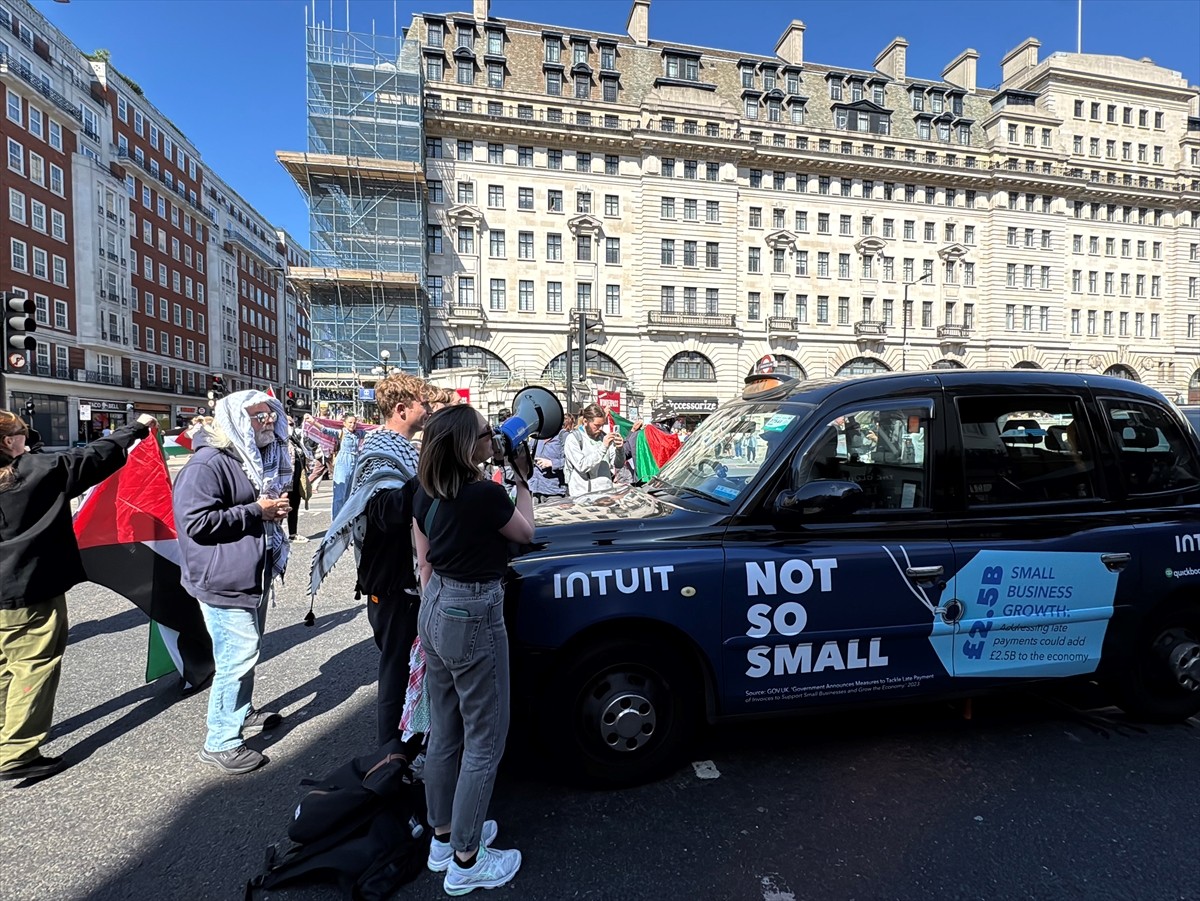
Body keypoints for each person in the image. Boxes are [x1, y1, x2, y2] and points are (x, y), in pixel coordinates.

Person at [412, 405, 535, 894]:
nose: (493, 438)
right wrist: (523, 482)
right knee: (486, 739)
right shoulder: (483, 494)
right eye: (487, 433)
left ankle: (443, 837)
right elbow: (526, 533)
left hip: (436, 602)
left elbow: (422, 562)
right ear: (468, 445)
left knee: (444, 732)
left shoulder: (422, 490)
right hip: (474, 610)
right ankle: (467, 860)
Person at [0, 410, 156, 781]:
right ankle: (18, 749)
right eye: (22, 432)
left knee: (5, 664)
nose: (27, 438)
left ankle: (6, 729)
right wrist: (136, 428)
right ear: (8, 441)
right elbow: (93, 457)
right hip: (28, 587)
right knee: (33, 663)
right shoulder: (36, 472)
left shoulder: (31, 468)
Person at [172, 390, 291, 776]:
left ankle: (240, 711)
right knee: (236, 657)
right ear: (236, 423)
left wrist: (266, 512)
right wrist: (258, 510)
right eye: (258, 417)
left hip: (248, 573)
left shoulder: (246, 459)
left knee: (246, 652)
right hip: (222, 577)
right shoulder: (207, 464)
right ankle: (221, 739)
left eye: (269, 415)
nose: (268, 422)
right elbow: (196, 524)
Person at [309, 374, 428, 747]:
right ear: (402, 408)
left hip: (398, 577)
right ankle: (390, 755)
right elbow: (384, 512)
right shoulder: (381, 452)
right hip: (393, 581)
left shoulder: (401, 448)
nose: (426, 409)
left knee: (406, 666)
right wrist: (426, 479)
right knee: (396, 671)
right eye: (422, 402)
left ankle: (405, 744)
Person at [564, 403, 622, 496]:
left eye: (602, 425)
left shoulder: (603, 436)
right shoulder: (573, 439)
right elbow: (582, 466)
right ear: (585, 421)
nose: (600, 429)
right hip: (583, 495)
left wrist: (620, 449)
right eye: (596, 425)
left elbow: (618, 464)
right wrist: (603, 447)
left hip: (605, 494)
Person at [318, 414, 365, 518]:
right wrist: (313, 422)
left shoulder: (358, 433)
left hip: (355, 461)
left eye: (354, 423)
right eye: (350, 422)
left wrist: (382, 428)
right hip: (343, 461)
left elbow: (372, 432)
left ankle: (346, 519)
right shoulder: (342, 432)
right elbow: (325, 430)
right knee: (340, 494)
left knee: (350, 493)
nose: (352, 425)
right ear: (344, 423)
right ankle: (336, 520)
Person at [529, 412, 572, 503]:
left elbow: (572, 461)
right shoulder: (537, 436)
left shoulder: (563, 436)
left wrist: (552, 463)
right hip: (536, 490)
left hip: (555, 492)